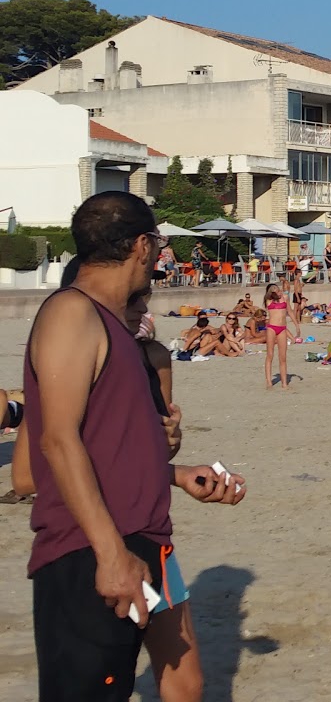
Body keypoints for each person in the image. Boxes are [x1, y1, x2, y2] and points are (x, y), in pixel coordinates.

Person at [24, 192, 247, 702]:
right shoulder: (71, 313)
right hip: (91, 551)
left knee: (183, 678)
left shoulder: (116, 328)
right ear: (144, 246)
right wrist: (110, 554)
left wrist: (173, 472)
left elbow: (101, 439)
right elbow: (57, 441)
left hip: (145, 539)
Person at [262, 285, 297, 390]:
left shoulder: (285, 298)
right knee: (270, 355)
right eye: (274, 289)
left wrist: (296, 325)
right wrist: (274, 292)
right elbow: (268, 295)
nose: (276, 290)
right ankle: (269, 381)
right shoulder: (269, 300)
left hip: (282, 328)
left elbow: (290, 312)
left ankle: (284, 383)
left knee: (283, 357)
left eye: (277, 288)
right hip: (272, 328)